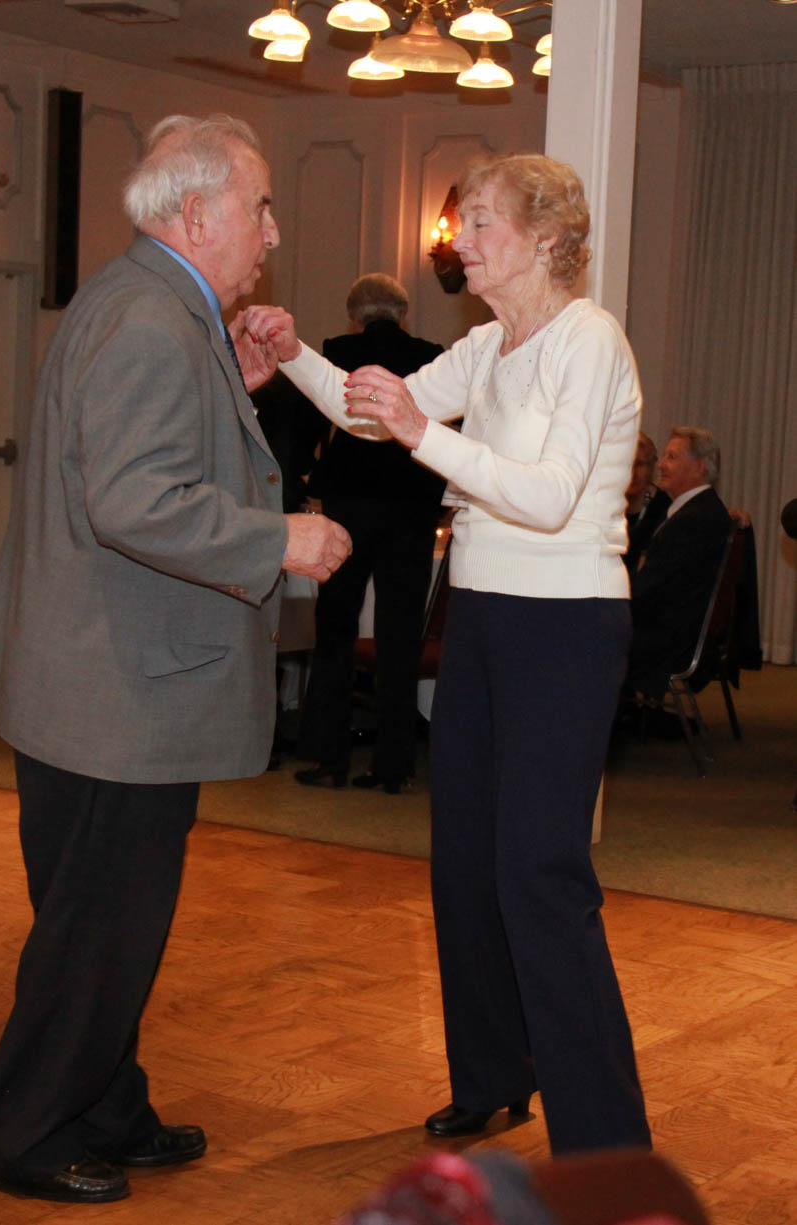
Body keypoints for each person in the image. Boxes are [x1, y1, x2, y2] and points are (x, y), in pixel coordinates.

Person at [0, 113, 350, 1204]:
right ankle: (20, 1130)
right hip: (115, 689)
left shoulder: (146, 302)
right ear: (197, 214)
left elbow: (144, 450)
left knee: (99, 917)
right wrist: (283, 539)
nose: (271, 231)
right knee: (100, 926)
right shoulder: (149, 320)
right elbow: (134, 500)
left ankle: (103, 1103)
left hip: (98, 677)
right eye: (260, 207)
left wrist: (242, 382)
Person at [246, 152, 652, 1156]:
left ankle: (606, 1145)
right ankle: (493, 1075)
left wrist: (425, 432)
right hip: (478, 614)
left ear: (548, 237)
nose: (457, 242)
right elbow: (366, 409)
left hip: (564, 624)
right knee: (465, 860)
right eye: (457, 224)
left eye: (478, 224)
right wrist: (297, 351)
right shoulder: (492, 344)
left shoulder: (586, 339)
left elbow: (549, 495)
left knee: (539, 874)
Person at [293, 273, 445, 794]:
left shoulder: (339, 351)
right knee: (399, 636)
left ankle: (328, 759)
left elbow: (314, 420)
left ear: (355, 316)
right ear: (403, 315)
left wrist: (308, 477)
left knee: (335, 628)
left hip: (350, 504)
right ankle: (394, 766)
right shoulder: (430, 354)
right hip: (410, 505)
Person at [627, 427, 732, 699]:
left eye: (672, 457)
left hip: (670, 639)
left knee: (587, 630)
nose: (661, 465)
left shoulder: (692, 520)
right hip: (675, 628)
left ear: (699, 467)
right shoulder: (698, 510)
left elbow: (649, 591)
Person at [623, 431, 669, 576]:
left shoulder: (665, 507)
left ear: (651, 467)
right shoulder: (609, 505)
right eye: (626, 464)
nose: (632, 472)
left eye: (639, 464)